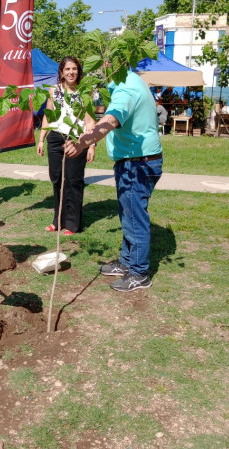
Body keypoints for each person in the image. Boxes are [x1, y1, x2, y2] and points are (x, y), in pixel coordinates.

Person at [65, 68, 163, 291]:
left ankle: (139, 273)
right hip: (135, 160)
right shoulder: (127, 82)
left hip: (137, 163)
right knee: (129, 213)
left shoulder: (125, 88)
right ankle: (127, 262)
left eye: (104, 64)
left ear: (113, 65)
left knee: (134, 216)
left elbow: (110, 120)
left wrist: (83, 142)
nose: (99, 69)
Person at [37, 56, 96, 236]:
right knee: (57, 179)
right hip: (55, 138)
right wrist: (41, 139)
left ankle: (72, 224)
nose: (71, 72)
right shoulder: (54, 91)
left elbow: (90, 121)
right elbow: (48, 115)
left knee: (73, 181)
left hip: (76, 139)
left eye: (74, 69)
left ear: (79, 71)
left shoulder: (84, 93)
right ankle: (58, 220)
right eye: (67, 69)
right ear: (61, 72)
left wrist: (91, 145)